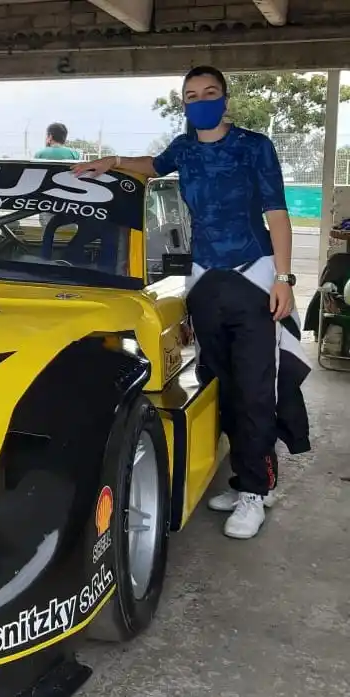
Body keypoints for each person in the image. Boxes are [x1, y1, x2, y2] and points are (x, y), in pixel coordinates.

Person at [73, 65, 310, 540]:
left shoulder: (254, 146)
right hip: (204, 280)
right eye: (191, 95)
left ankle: (255, 492)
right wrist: (112, 162)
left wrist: (283, 277)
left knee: (257, 387)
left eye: (209, 92)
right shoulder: (184, 148)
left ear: (225, 98)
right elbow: (153, 165)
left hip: (255, 275)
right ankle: (242, 477)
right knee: (217, 382)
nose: (200, 100)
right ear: (184, 104)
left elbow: (276, 212)